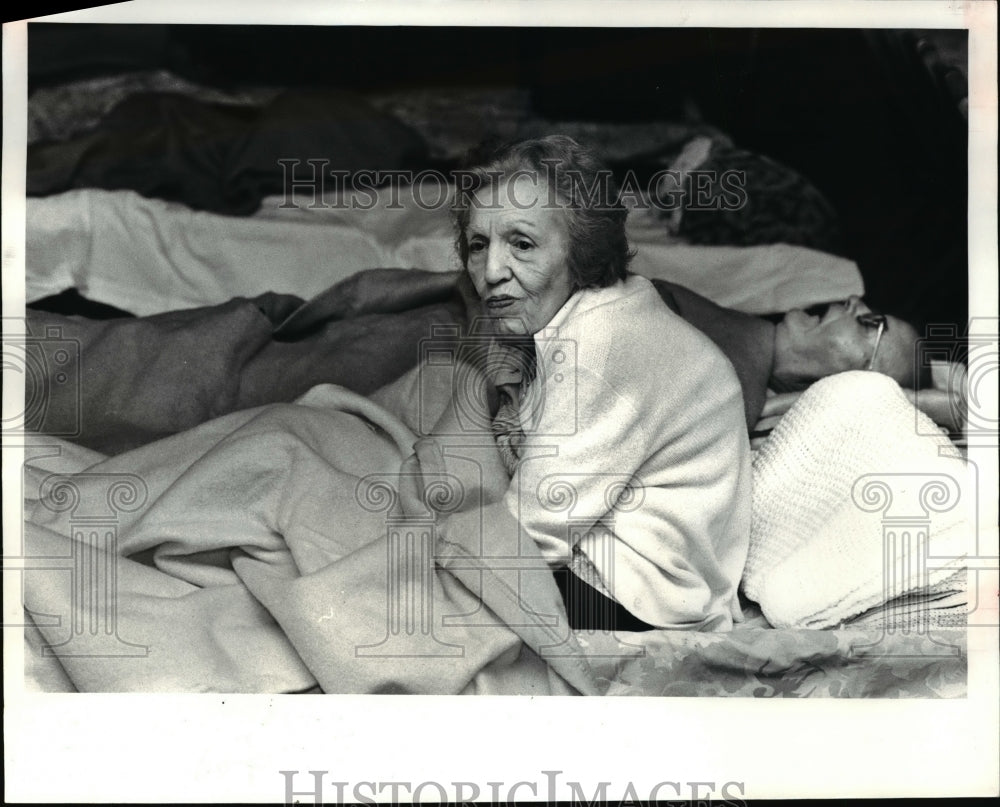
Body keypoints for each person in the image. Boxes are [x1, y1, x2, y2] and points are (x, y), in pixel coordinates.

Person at [398, 136, 753, 632]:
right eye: (478, 246)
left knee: (405, 594)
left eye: (522, 244)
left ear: (581, 252)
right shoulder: (593, 314)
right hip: (620, 556)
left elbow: (533, 532)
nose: (492, 272)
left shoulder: (602, 342)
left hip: (641, 590)